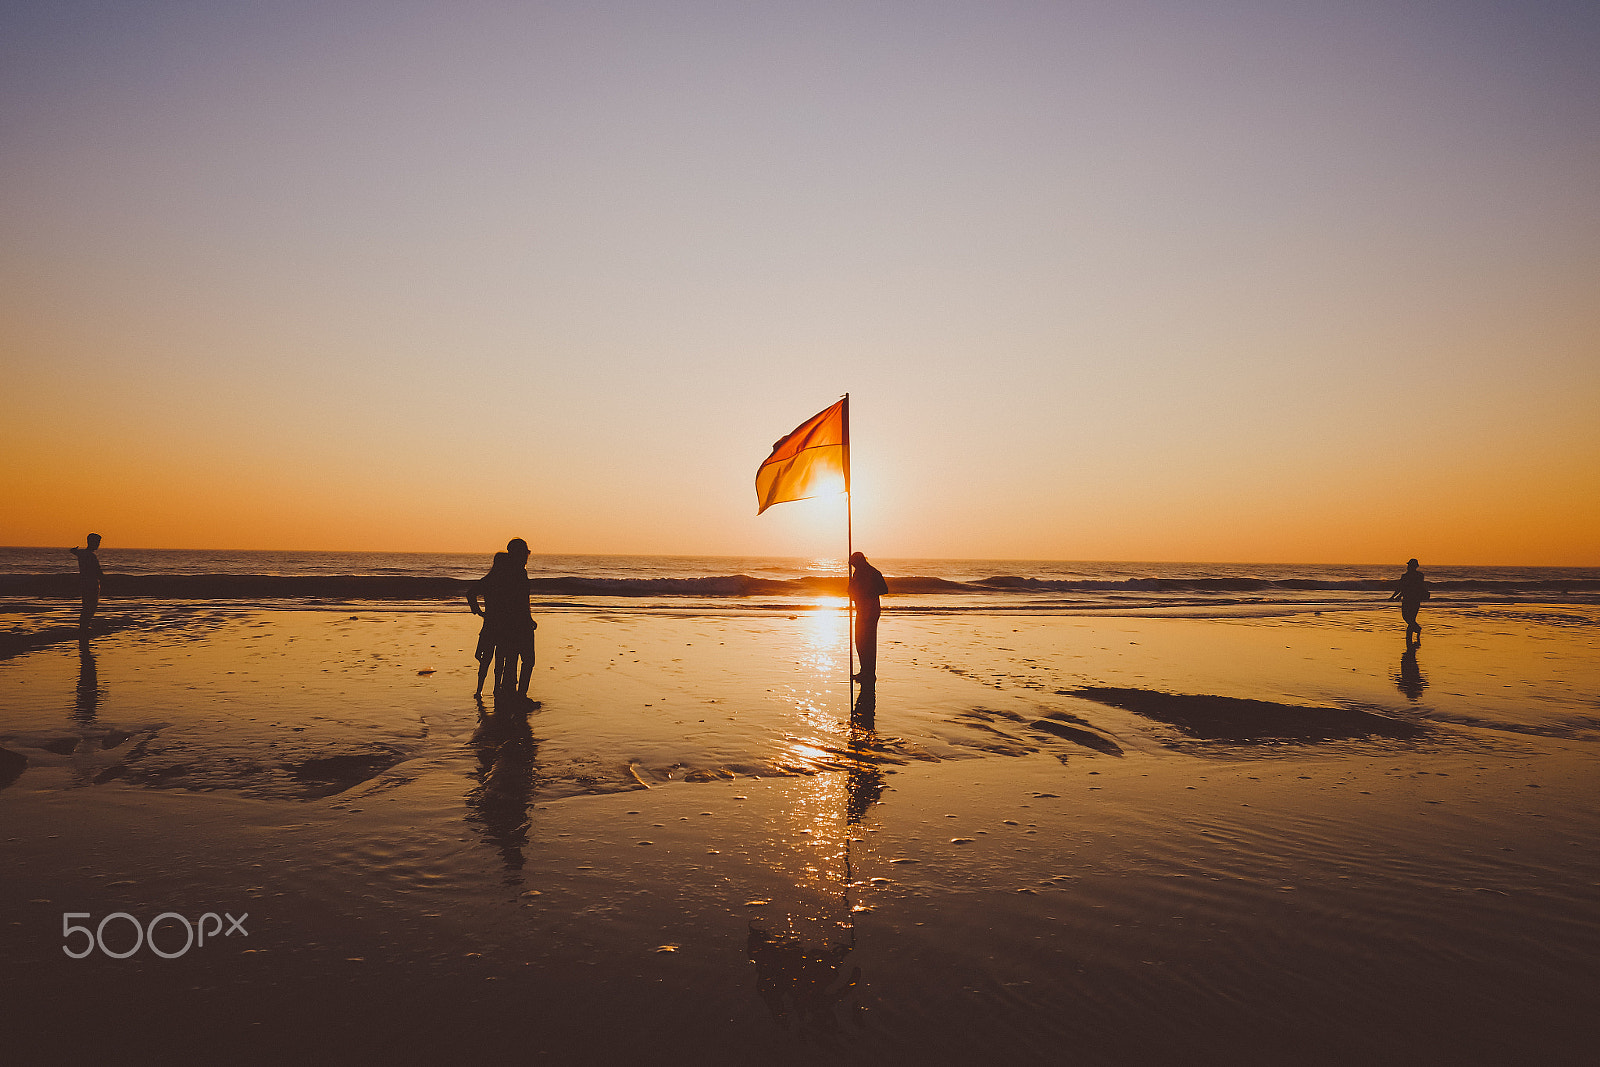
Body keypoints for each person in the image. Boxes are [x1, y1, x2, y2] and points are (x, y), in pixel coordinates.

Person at [468, 538, 537, 696]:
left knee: (510, 660)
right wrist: (528, 620)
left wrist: (479, 612)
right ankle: (519, 696)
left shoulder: (499, 575)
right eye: (526, 552)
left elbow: (472, 593)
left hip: (504, 626)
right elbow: (520, 602)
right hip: (518, 625)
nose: (527, 556)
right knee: (527, 660)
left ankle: (509, 694)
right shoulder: (518, 573)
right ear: (518, 554)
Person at [848, 552, 887, 682]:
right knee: (860, 641)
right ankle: (864, 670)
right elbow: (854, 591)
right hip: (861, 611)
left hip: (870, 612)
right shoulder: (857, 573)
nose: (852, 566)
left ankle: (869, 673)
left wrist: (865, 591)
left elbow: (884, 589)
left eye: (854, 563)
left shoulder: (873, 573)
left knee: (868, 643)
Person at [1389, 558, 1428, 646]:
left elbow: (1408, 587)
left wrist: (1396, 596)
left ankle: (1410, 639)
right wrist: (1395, 596)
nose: (1408, 567)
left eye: (1409, 565)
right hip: (1409, 599)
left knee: (1410, 619)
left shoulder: (1417, 576)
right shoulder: (1409, 576)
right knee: (1407, 618)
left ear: (1414, 566)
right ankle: (1414, 632)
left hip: (1413, 599)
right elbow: (1401, 587)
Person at [69, 533, 103, 633]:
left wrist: (74, 550)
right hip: (92, 584)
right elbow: (98, 571)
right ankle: (84, 627)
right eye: (97, 542)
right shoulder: (91, 556)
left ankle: (83, 626)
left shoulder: (82, 554)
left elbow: (74, 551)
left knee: (86, 606)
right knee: (91, 607)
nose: (98, 544)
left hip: (84, 583)